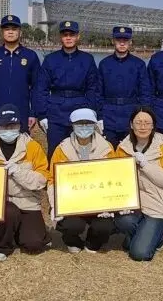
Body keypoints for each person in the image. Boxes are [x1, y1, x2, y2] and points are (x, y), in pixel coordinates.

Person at [0, 104, 50, 261]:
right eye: (4, 126)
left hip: (27, 202)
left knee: (33, 244)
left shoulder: (33, 147)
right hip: (0, 204)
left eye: (12, 125)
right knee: (9, 212)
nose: (8, 129)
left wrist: (19, 171)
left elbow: (42, 179)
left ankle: (24, 232)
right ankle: (1, 246)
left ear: (20, 125)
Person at [47, 108, 116, 253]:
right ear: (72, 125)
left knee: (105, 226)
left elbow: (113, 176)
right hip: (72, 202)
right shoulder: (62, 149)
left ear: (94, 125)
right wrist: (55, 205)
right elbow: (52, 179)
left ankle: (93, 242)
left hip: (98, 201)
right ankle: (72, 240)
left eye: (88, 123)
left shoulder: (107, 148)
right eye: (79, 123)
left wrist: (110, 204)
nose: (84, 127)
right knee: (71, 225)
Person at [111, 107, 163, 261]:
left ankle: (156, 239)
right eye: (138, 122)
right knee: (122, 221)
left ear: (153, 126)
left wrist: (146, 165)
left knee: (139, 254)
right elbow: (116, 177)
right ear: (131, 125)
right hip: (132, 204)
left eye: (147, 123)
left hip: (155, 204)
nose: (143, 127)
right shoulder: (122, 148)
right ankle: (149, 237)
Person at [34, 20, 102, 158]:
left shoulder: (87, 59)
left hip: (81, 111)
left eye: (72, 35)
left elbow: (93, 88)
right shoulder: (50, 59)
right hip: (56, 112)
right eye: (65, 35)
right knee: (55, 151)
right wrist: (42, 115)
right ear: (61, 37)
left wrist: (92, 112)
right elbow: (41, 88)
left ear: (78, 36)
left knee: (81, 152)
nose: (68, 38)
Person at [0, 15, 39, 135]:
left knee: (21, 143)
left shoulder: (31, 56)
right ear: (2, 32)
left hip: (22, 110)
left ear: (20, 32)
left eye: (14, 29)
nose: (10, 32)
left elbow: (36, 87)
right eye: (7, 29)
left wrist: (33, 112)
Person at [99, 25, 152, 145]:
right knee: (108, 150)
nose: (122, 43)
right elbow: (98, 92)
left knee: (131, 151)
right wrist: (99, 116)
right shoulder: (104, 64)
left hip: (131, 114)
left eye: (125, 40)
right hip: (109, 115)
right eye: (119, 40)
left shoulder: (139, 64)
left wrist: (143, 114)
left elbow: (145, 92)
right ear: (113, 41)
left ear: (130, 42)